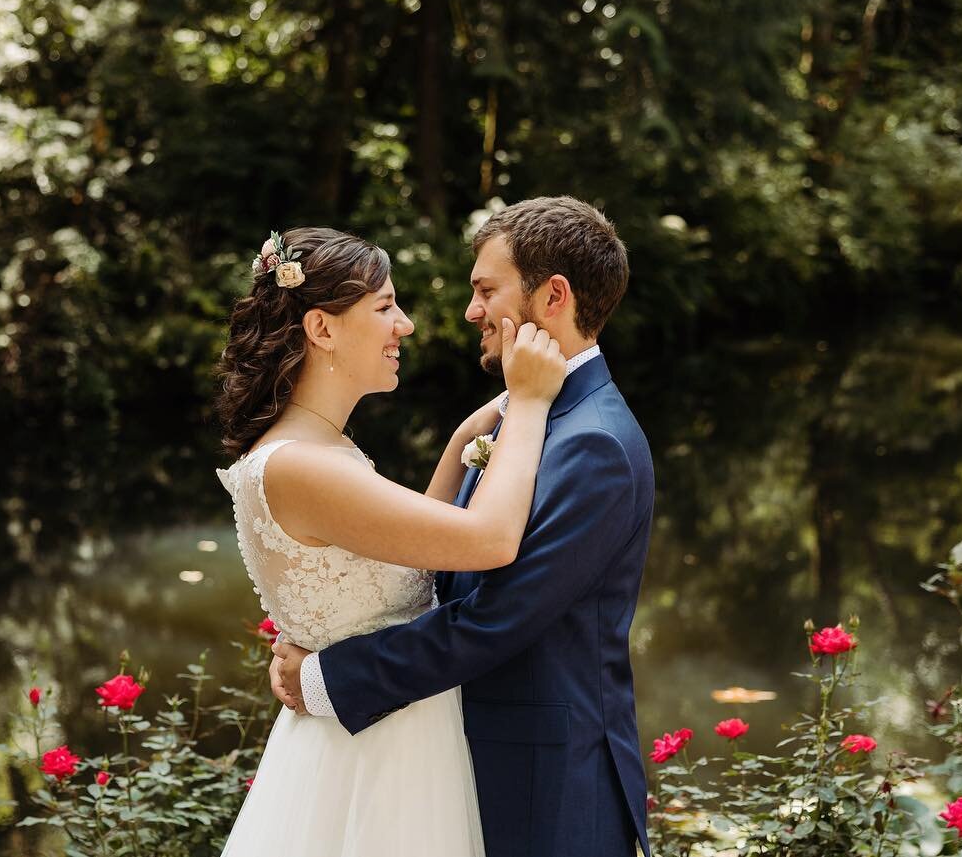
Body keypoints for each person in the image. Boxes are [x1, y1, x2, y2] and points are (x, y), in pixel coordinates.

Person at [272, 197, 655, 857]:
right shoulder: (525, 415)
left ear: (552, 297)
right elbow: (448, 571)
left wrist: (325, 677)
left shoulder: (595, 445)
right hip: (467, 764)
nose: (472, 310)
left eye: (486, 290)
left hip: (547, 792)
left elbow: (492, 621)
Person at [214, 226, 567, 857]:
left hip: (378, 724)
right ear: (321, 329)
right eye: (384, 307)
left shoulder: (319, 448)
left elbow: (407, 550)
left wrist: (467, 436)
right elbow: (487, 540)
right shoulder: (305, 466)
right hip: (375, 750)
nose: (403, 325)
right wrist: (533, 404)